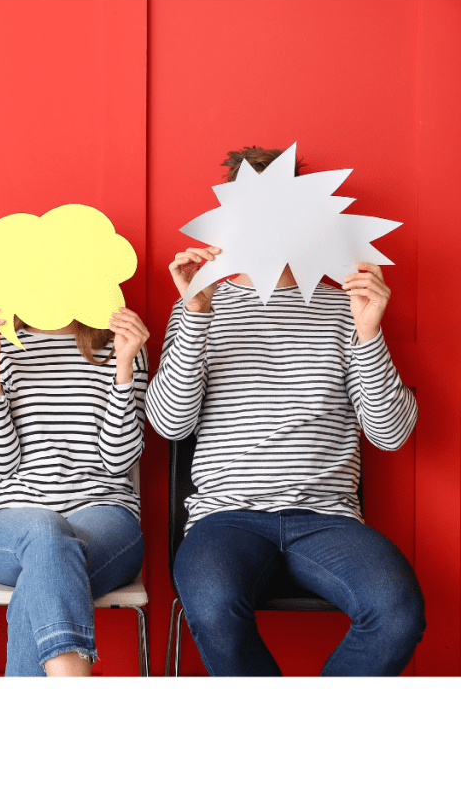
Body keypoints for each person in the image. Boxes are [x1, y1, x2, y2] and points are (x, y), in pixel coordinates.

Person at [146, 146, 423, 676]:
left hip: (327, 518)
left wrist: (368, 333)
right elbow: (168, 423)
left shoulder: (348, 308)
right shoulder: (203, 306)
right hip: (225, 518)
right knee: (213, 608)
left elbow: (389, 435)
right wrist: (196, 318)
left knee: (396, 613)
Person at [0, 300, 149, 677]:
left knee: (39, 582)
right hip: (16, 523)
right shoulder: (1, 347)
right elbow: (0, 464)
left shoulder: (122, 341)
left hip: (106, 518)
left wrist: (123, 367)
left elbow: (119, 462)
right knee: (45, 533)